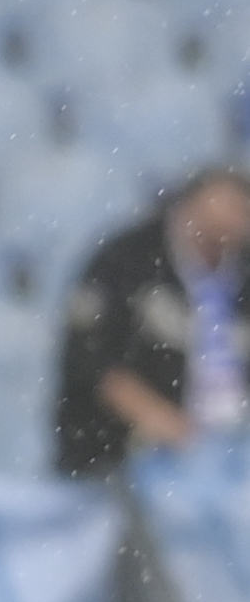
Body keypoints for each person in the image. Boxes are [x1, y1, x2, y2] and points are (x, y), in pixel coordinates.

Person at [55, 164, 250, 478]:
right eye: (228, 205)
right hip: (119, 454)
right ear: (190, 202)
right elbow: (87, 357)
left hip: (231, 455)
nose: (235, 220)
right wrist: (158, 418)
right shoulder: (128, 257)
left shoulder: (243, 267)